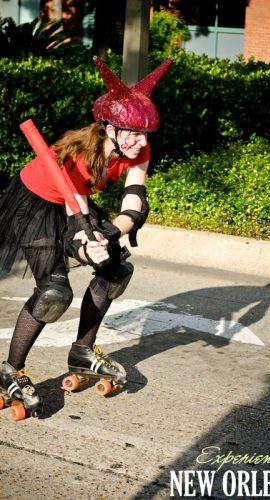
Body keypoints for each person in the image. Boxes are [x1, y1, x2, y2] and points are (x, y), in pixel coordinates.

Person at [0, 55, 173, 416]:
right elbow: (74, 215)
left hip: (74, 205)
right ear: (109, 128)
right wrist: (86, 241)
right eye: (133, 133)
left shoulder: (138, 149)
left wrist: (108, 236)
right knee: (54, 292)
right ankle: (9, 371)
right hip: (35, 203)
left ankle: (82, 351)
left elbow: (135, 203)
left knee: (116, 270)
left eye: (145, 134)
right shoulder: (80, 153)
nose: (140, 142)